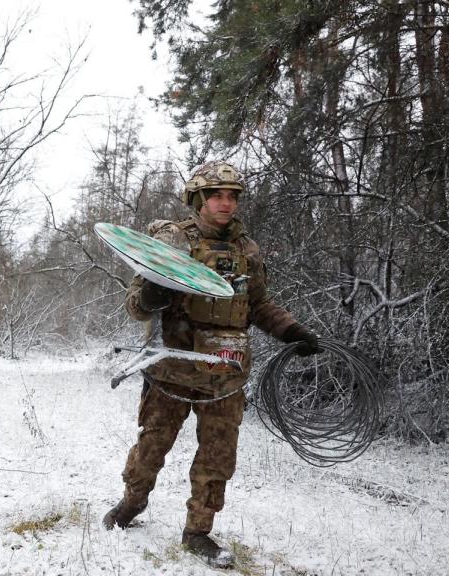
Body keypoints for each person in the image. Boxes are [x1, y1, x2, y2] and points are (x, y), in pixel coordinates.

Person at [101, 161, 321, 567]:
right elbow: (135, 306)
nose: (226, 203)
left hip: (225, 372)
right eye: (217, 195)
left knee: (217, 455)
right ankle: (131, 504)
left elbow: (257, 304)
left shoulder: (246, 251)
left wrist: (292, 332)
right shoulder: (171, 240)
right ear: (198, 200)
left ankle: (198, 531)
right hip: (172, 369)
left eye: (232, 196)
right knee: (153, 444)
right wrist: (151, 293)